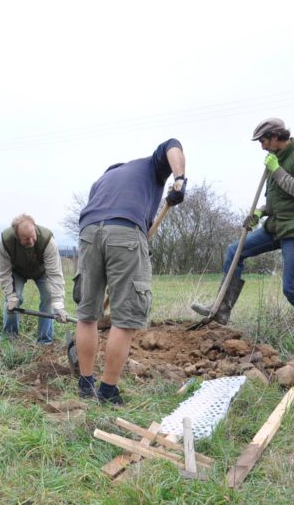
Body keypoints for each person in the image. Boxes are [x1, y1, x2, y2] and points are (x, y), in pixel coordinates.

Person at [74, 139, 186, 405]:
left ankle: (85, 383)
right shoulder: (149, 166)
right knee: (125, 318)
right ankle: (108, 391)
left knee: (87, 315)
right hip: (124, 232)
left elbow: (103, 222)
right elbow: (173, 144)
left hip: (89, 233)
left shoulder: (102, 182)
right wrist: (180, 179)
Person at [191, 117, 294, 345]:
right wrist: (261, 213)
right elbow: (277, 202)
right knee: (235, 251)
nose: (262, 146)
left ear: (275, 136)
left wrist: (277, 170)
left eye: (263, 141)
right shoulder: (275, 160)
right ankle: (221, 308)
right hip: (277, 226)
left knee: (291, 288)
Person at [0, 214, 67, 344]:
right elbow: (3, 272)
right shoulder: (6, 241)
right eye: (25, 238)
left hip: (42, 270)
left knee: (48, 296)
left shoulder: (47, 240)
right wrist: (10, 295)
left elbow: (55, 274)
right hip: (17, 270)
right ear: (17, 236)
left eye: (32, 236)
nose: (30, 241)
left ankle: (44, 340)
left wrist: (58, 304)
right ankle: (10, 339)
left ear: (35, 228)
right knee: (14, 300)